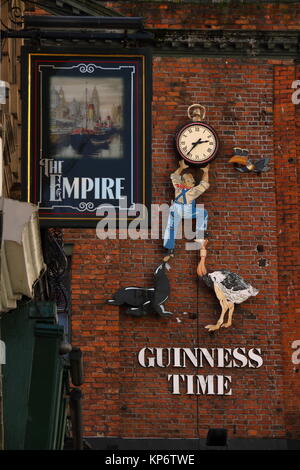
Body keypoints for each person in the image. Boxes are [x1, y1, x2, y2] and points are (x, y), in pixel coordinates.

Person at [163, 159, 209, 256]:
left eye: (192, 179)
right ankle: (200, 234)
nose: (193, 181)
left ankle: (169, 248)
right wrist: (206, 172)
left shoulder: (178, 188)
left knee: (171, 228)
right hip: (186, 211)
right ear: (184, 182)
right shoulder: (192, 192)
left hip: (174, 210)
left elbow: (174, 176)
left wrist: (181, 168)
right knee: (203, 213)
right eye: (189, 180)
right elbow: (204, 184)